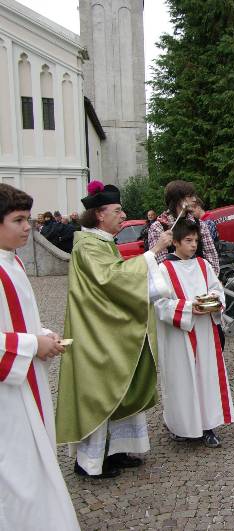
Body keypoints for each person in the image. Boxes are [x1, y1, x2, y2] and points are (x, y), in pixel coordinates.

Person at [56, 180, 174, 478]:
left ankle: (115, 451)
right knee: (101, 390)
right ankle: (91, 462)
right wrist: (155, 250)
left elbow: (118, 280)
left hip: (108, 328)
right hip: (96, 334)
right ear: (99, 214)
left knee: (121, 386)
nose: (123, 215)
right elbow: (112, 280)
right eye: (118, 210)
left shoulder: (102, 243)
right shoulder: (88, 246)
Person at [0, 184, 80, 530]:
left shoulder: (12, 261)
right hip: (7, 396)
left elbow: (18, 320)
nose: (27, 227)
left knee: (33, 461)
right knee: (18, 470)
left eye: (28, 219)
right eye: (18, 220)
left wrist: (43, 334)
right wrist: (33, 344)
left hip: (26, 382)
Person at [154, 220, 234, 448]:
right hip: (180, 335)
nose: (193, 245)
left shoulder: (203, 264)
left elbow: (217, 289)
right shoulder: (164, 269)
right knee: (182, 379)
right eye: (188, 241)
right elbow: (159, 303)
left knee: (206, 376)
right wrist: (190, 307)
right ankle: (180, 427)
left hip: (205, 331)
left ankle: (208, 425)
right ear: (176, 242)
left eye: (196, 241)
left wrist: (213, 301)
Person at [148, 180, 220, 274]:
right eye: (190, 196)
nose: (195, 199)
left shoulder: (200, 225)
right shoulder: (158, 228)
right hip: (174, 284)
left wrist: (209, 281)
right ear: (178, 199)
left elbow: (212, 257)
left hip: (200, 281)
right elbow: (160, 264)